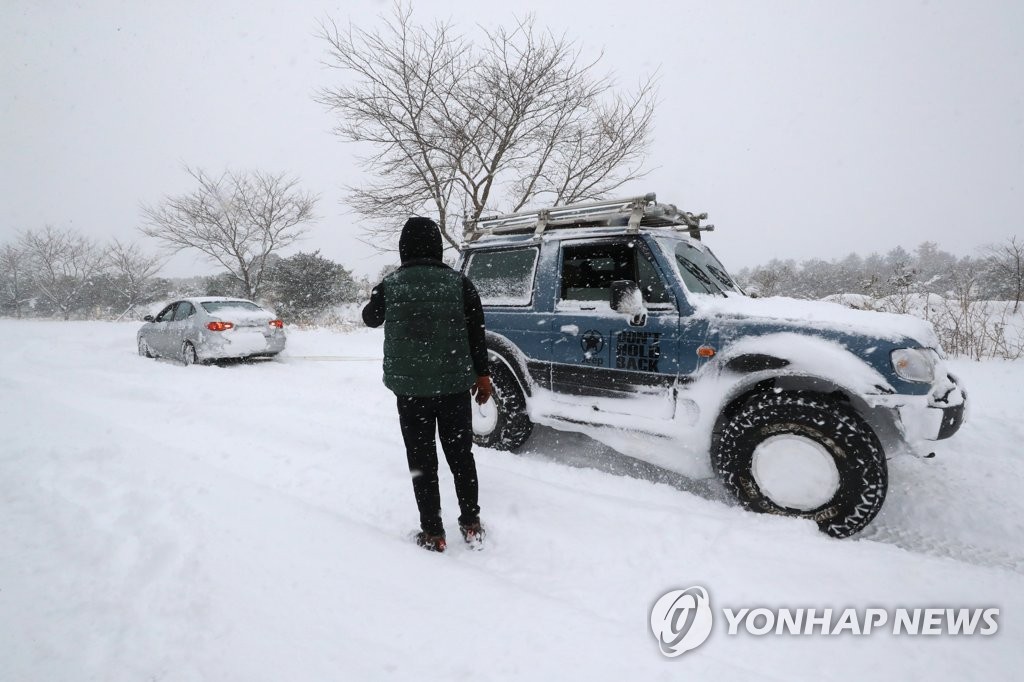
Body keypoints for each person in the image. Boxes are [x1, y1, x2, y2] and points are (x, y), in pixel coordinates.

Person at [362, 216, 493, 553]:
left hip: (412, 393)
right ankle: (471, 523)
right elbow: (477, 333)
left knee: (422, 461)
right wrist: (483, 375)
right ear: (437, 245)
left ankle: (433, 532)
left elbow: (370, 318)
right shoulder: (459, 283)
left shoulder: (391, 284)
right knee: (461, 456)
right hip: (454, 389)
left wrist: (378, 294)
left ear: (404, 248)